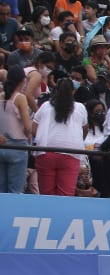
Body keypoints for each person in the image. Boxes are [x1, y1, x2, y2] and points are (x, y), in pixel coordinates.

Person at [31, 77, 88, 196]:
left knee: (46, 195)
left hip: (45, 152)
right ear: (73, 91)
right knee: (65, 196)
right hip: (71, 153)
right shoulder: (80, 108)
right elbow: (84, 130)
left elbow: (34, 129)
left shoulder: (45, 106)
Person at [0, 66, 32, 194]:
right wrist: (28, 134)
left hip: (1, 145)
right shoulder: (20, 98)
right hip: (17, 146)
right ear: (22, 80)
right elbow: (27, 126)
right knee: (15, 191)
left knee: (1, 190)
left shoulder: (1, 95)